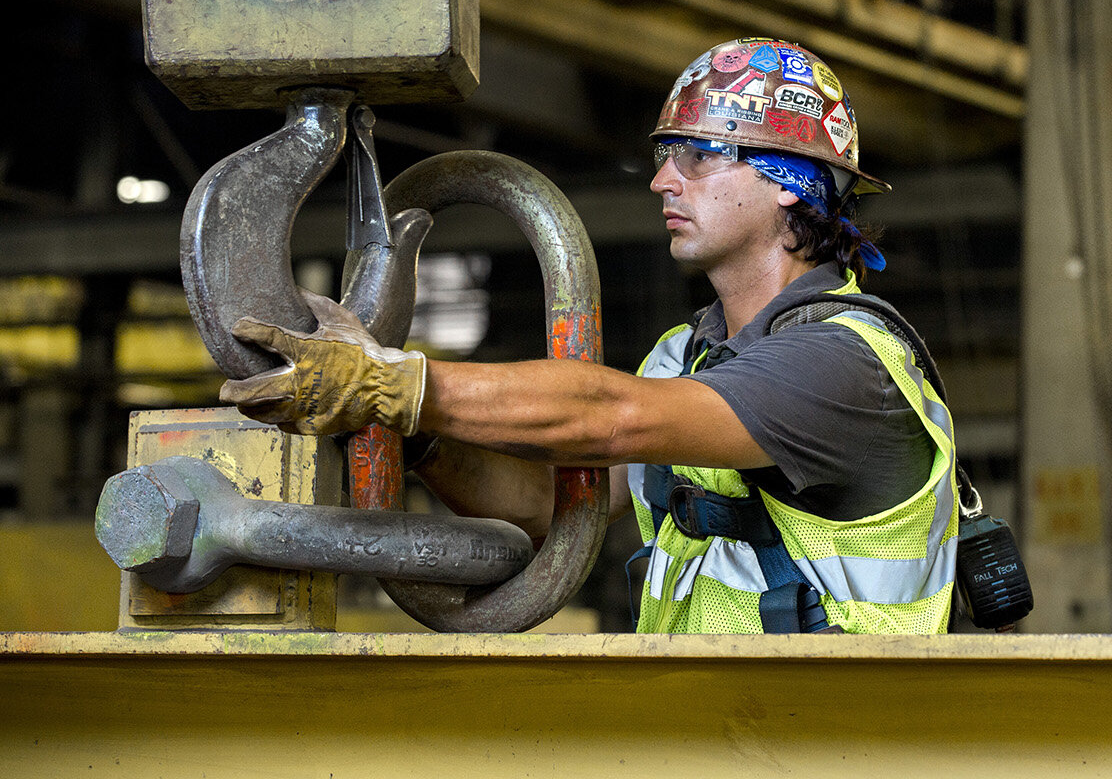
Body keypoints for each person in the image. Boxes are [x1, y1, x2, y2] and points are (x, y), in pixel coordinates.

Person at [221, 38, 959, 634]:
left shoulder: (846, 362)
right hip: (715, 736)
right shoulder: (685, 357)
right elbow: (552, 505)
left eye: (698, 157)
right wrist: (417, 437)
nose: (662, 181)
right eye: (667, 155)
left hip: (841, 743)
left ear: (789, 183)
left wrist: (388, 380)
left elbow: (609, 417)